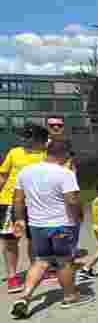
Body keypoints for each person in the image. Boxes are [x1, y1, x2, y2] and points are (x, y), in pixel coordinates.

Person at [10, 140, 90, 318]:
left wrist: (20, 220)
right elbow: (71, 201)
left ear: (47, 151)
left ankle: (25, 296)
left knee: (41, 260)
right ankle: (70, 296)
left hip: (37, 225)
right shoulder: (65, 174)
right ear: (65, 154)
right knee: (64, 261)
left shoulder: (25, 172)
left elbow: (17, 200)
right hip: (61, 224)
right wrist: (78, 217)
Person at [0, 124, 47, 293]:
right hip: (10, 203)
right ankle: (12, 277)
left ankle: (34, 272)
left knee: (34, 240)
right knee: (11, 240)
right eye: (23, 136)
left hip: (36, 205)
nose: (23, 139)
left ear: (38, 140)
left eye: (27, 136)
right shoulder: (14, 153)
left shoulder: (46, 156)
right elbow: (3, 176)